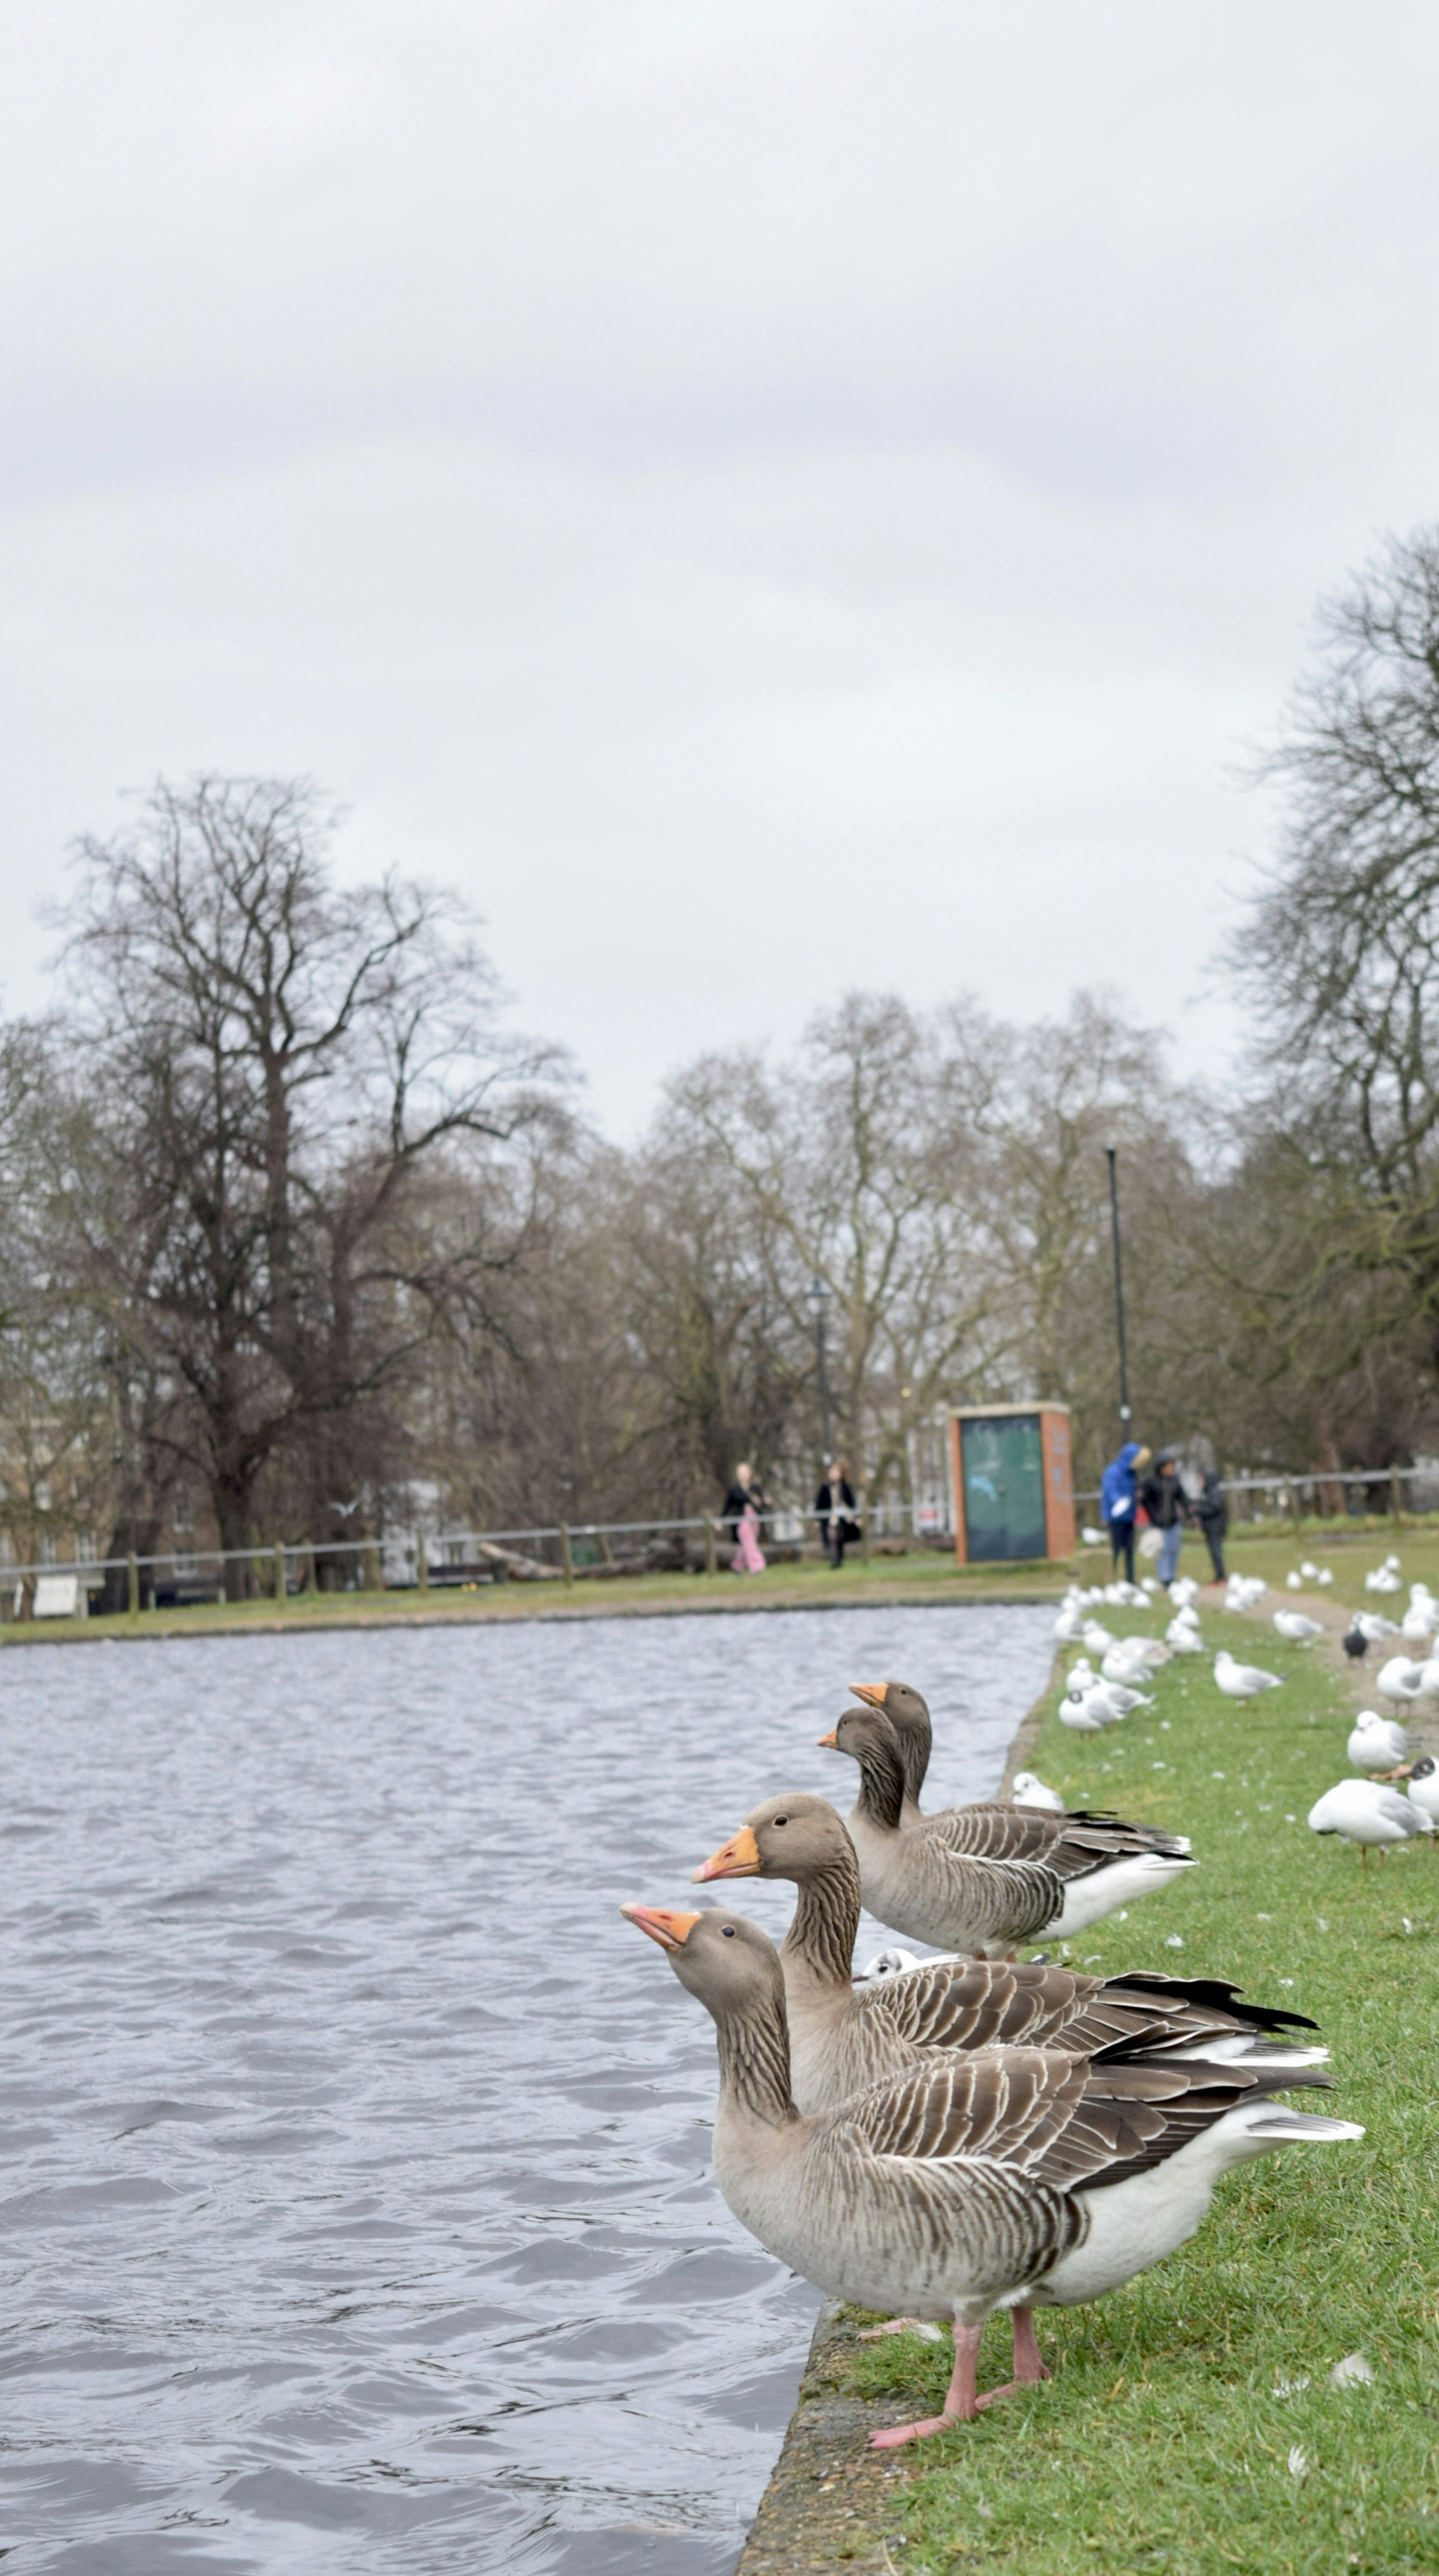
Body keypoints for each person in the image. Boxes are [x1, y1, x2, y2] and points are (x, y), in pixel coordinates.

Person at [1099, 1440, 1149, 1583]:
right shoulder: (1113, 1472)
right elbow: (1111, 1492)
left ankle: (1130, 1580)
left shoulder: (1132, 1474)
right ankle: (1109, 1580)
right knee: (1115, 1551)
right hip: (1116, 1519)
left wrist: (1136, 1495)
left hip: (1129, 1517)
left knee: (1129, 1551)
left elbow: (1132, 1492)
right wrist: (1121, 1502)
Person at [1141, 1450, 1189, 1587]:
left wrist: (1187, 1513)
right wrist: (1153, 1515)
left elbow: (1182, 1497)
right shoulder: (1151, 1481)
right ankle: (1164, 1578)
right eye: (1168, 1467)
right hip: (1158, 1523)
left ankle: (1171, 1576)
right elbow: (1145, 1500)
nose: (1171, 1470)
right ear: (1161, 1467)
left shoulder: (1174, 1481)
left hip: (1173, 1521)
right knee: (1161, 1551)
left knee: (1174, 1549)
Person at [720, 1462, 768, 1573]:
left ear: (749, 1474)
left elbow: (762, 1505)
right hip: (741, 1520)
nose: (743, 1475)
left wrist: (765, 1502)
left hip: (755, 1519)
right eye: (741, 1473)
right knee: (749, 1542)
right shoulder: (734, 1490)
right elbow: (727, 1507)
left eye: (745, 1472)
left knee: (748, 1543)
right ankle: (757, 1565)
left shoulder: (755, 1488)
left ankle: (737, 1566)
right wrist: (721, 1521)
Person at [814, 1458, 860, 1568]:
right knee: (831, 1538)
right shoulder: (825, 1488)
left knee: (840, 1539)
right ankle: (834, 1562)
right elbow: (819, 1503)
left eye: (836, 1472)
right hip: (829, 1518)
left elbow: (851, 1503)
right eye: (832, 1472)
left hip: (843, 1517)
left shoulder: (845, 1487)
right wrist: (817, 1519)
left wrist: (856, 1517)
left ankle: (839, 1561)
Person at [1193, 1468, 1228, 1584]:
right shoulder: (1206, 1492)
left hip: (1215, 1527)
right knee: (1214, 1552)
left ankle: (1221, 1577)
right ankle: (1219, 1576)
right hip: (1209, 1527)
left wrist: (1198, 1510)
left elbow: (1214, 1508)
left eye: (1202, 1478)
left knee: (1216, 1552)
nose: (1200, 1480)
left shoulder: (1213, 1492)